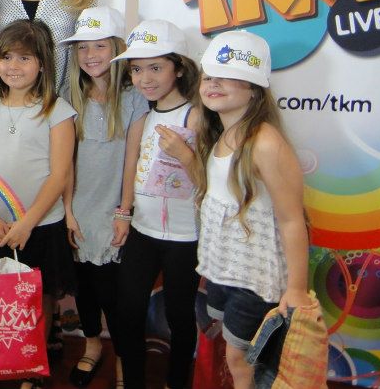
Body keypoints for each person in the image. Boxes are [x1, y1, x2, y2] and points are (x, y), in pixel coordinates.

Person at [190, 31, 311, 389]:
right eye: (208, 76)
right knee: (232, 354)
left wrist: (297, 289)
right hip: (226, 271)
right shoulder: (219, 134)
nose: (213, 84)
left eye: (227, 76)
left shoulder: (265, 143)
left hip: (255, 281)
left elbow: (292, 219)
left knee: (241, 361)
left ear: (255, 89)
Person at [0, 20, 77, 389]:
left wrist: (28, 223)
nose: (14, 66)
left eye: (25, 58)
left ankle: (31, 369)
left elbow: (59, 175)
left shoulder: (57, 110)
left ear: (42, 64)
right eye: (6, 57)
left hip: (40, 226)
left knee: (36, 299)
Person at [59, 7, 147, 388]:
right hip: (76, 210)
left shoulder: (134, 97)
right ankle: (92, 344)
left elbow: (132, 159)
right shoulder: (68, 95)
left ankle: (125, 356)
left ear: (117, 48)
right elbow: (64, 162)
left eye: (99, 46)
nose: (90, 55)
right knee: (85, 290)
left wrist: (123, 211)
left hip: (112, 211)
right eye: (83, 47)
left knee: (114, 294)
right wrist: (67, 210)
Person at [110, 20, 201, 389]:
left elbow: (212, 181)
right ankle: (133, 381)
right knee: (128, 310)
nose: (144, 78)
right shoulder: (142, 118)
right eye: (136, 69)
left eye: (155, 67)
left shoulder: (197, 115)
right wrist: (123, 213)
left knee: (180, 315)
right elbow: (130, 167)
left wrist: (185, 154)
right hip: (143, 232)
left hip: (185, 237)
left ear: (178, 68)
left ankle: (176, 382)